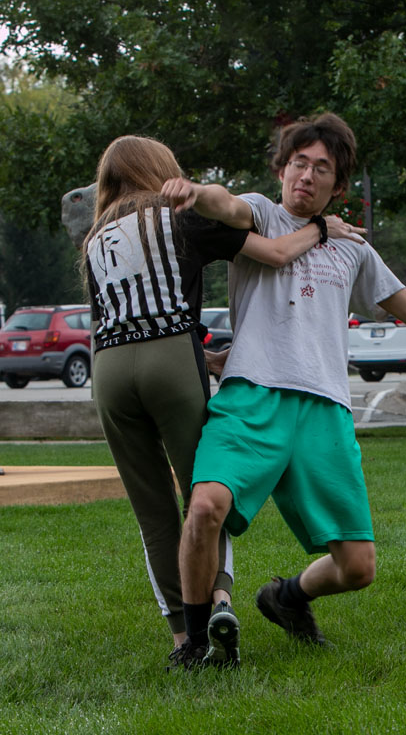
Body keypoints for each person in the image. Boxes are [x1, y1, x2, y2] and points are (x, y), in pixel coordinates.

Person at [161, 112, 406, 668]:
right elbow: (223, 204)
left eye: (322, 169)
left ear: (338, 186)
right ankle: (197, 644)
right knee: (205, 508)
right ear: (282, 169)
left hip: (325, 410)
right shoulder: (265, 215)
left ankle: (287, 597)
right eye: (299, 163)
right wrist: (194, 190)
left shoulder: (354, 251)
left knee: (358, 567)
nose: (307, 176)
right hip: (252, 396)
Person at [83, 135, 365, 664]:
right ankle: (218, 600)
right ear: (159, 169)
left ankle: (178, 638)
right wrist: (322, 227)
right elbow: (278, 253)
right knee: (206, 493)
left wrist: (209, 354)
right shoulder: (177, 216)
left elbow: (117, 314)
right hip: (171, 359)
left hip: (110, 370)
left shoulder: (96, 235)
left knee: (153, 513)